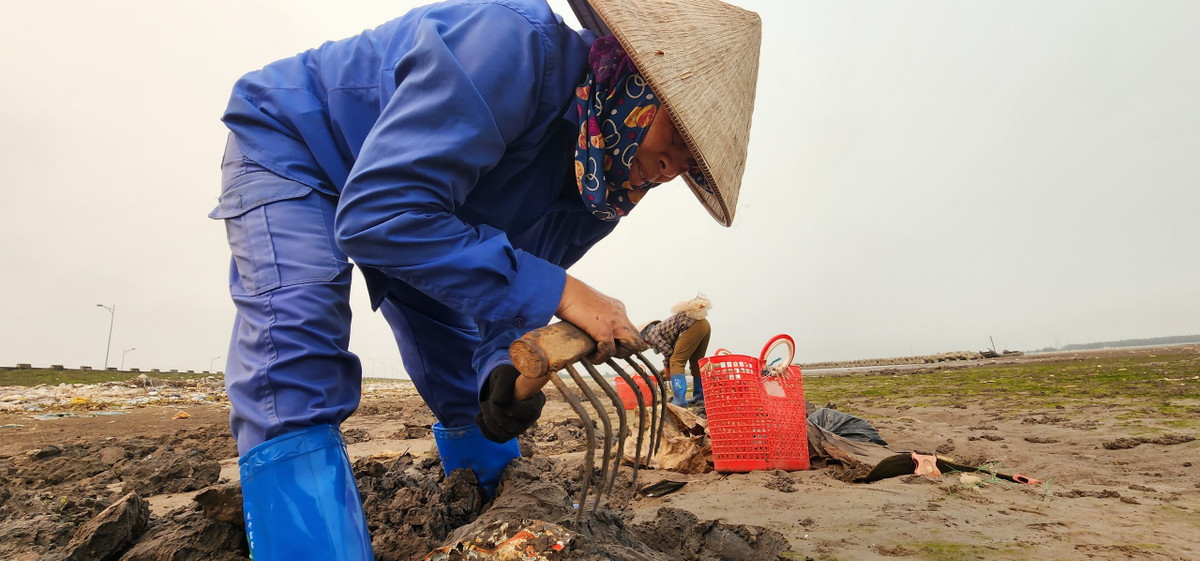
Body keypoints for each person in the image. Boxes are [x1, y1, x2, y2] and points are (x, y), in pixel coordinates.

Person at [210, 0, 761, 558]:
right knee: (298, 353)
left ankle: (502, 516)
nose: (673, 168)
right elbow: (381, 216)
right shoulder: (513, 48)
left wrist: (503, 368)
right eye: (678, 137)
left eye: (691, 163)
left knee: (463, 380)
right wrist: (567, 292)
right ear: (638, 80)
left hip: (419, 211)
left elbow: (504, 287)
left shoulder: (599, 187)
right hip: (299, 144)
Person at [641, 294, 714, 406]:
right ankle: (700, 398)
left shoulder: (651, 334)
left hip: (693, 325)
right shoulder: (662, 330)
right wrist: (667, 368)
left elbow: (669, 353)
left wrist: (668, 368)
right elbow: (671, 350)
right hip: (704, 325)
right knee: (696, 363)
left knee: (676, 361)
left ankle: (679, 400)